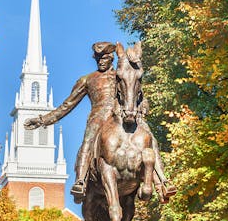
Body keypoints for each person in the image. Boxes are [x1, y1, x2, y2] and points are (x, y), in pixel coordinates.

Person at [25, 41, 175, 202]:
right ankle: (81, 181)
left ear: (111, 58)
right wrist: (43, 120)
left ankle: (161, 183)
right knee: (88, 142)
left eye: (104, 58)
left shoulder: (121, 74)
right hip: (98, 118)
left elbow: (137, 93)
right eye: (98, 59)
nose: (101, 61)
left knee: (149, 137)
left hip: (123, 116)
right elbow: (67, 105)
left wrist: (143, 106)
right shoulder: (87, 80)